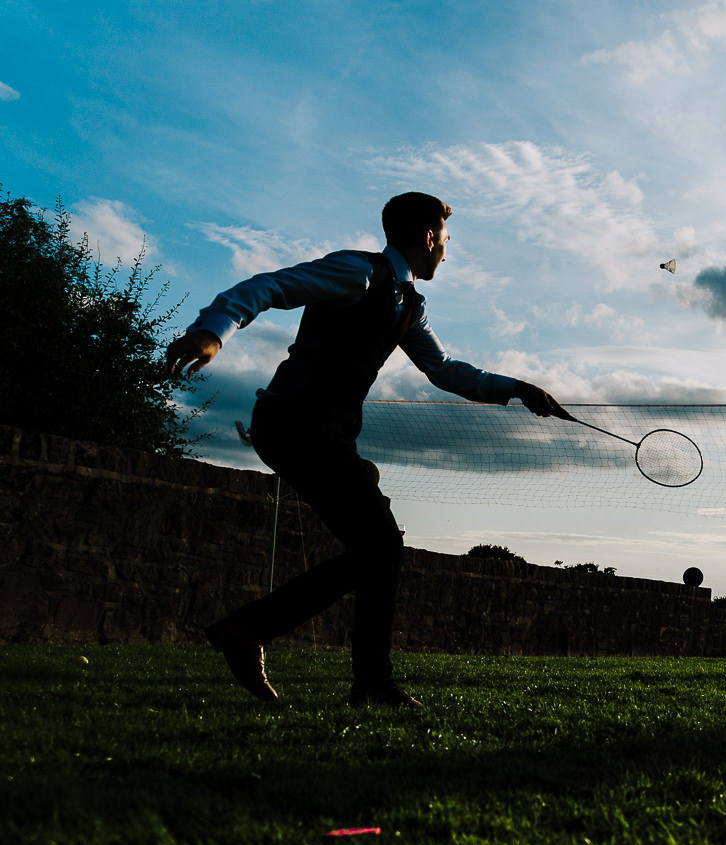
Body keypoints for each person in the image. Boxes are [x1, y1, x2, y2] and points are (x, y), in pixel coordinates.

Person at [165, 192, 573, 707]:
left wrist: (518, 387)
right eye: (445, 241)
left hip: (325, 432)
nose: (446, 253)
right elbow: (268, 286)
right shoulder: (357, 273)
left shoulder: (408, 306)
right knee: (381, 547)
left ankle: (343, 670)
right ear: (428, 237)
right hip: (293, 422)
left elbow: (445, 370)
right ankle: (264, 638)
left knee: (378, 551)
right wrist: (212, 332)